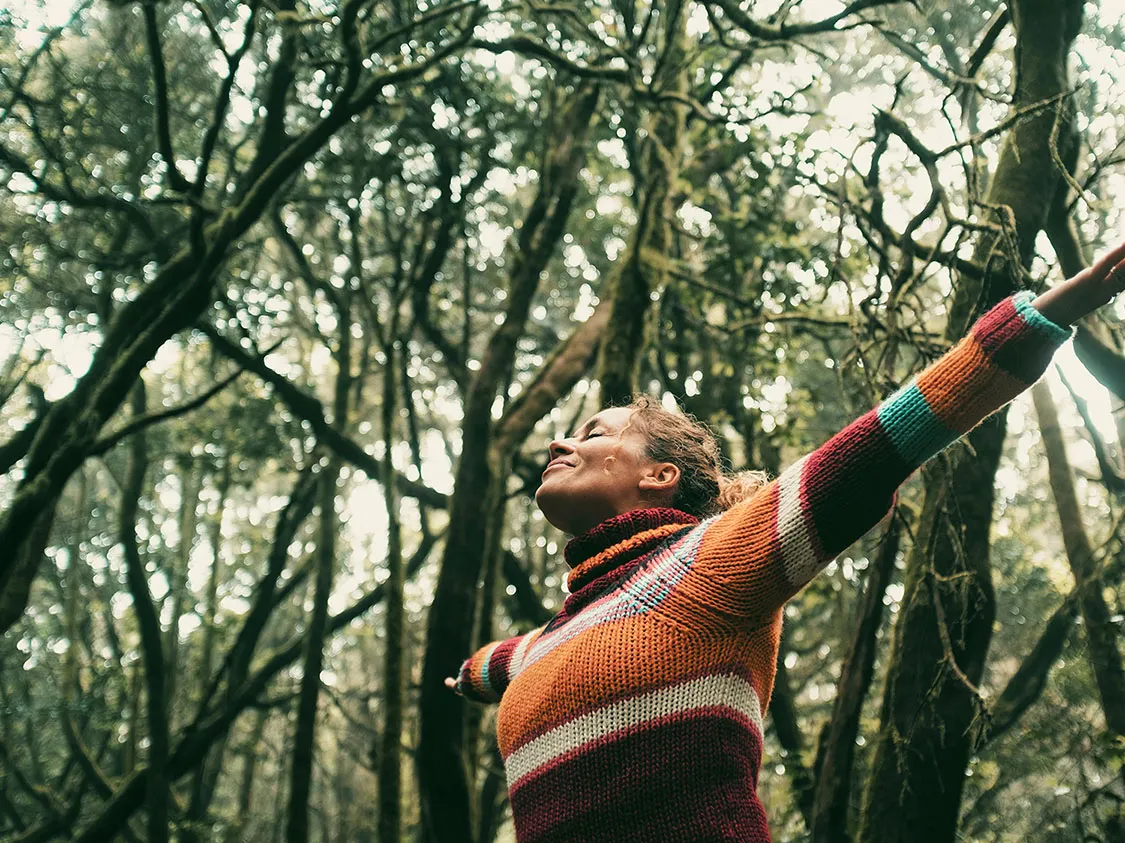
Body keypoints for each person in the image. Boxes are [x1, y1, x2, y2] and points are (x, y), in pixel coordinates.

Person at [445, 239, 1125, 843]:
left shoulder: (711, 564)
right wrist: (467, 676)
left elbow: (878, 446)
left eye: (593, 432)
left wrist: (1043, 316)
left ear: (659, 474)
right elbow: (500, 662)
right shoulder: (553, 637)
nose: (562, 440)